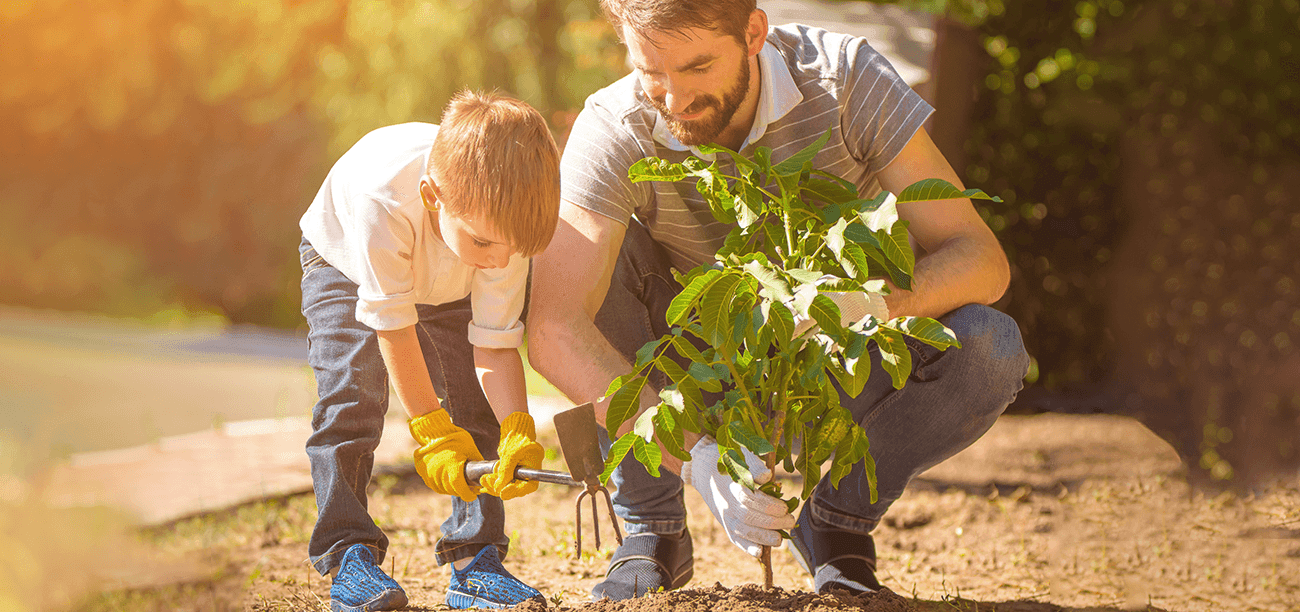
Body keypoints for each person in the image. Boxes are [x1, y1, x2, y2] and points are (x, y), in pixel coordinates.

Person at [525, 0, 1030, 601]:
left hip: (830, 359)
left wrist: (871, 304)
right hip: (697, 372)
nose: (674, 98)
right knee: (591, 249)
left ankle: (835, 527)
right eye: (651, 72)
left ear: (754, 33)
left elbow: (980, 257)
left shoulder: (845, 81)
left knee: (990, 347)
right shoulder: (616, 124)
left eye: (697, 67)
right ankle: (651, 532)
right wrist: (694, 460)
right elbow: (555, 325)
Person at [297, 91, 558, 611]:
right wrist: (432, 431)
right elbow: (394, 327)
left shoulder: (498, 235)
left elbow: (495, 344)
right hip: (347, 263)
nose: (501, 261)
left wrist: (516, 427)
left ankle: (476, 559)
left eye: (514, 249)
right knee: (353, 397)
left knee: (474, 403)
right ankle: (348, 553)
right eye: (488, 244)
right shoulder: (384, 200)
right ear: (433, 197)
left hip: (447, 276)